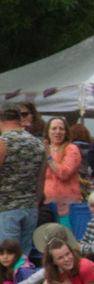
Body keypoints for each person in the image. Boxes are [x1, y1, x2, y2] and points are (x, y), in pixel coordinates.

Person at [0, 104, 46, 249]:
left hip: (6, 208)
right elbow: (41, 180)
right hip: (30, 208)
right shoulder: (38, 144)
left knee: (6, 260)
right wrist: (36, 203)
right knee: (23, 261)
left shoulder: (3, 142)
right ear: (19, 119)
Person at [41, 117, 84, 208]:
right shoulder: (41, 149)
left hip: (68, 205)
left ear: (66, 132)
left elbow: (64, 173)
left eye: (61, 129)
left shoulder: (71, 149)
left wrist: (49, 157)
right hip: (46, 203)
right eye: (54, 128)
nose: (58, 132)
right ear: (48, 132)